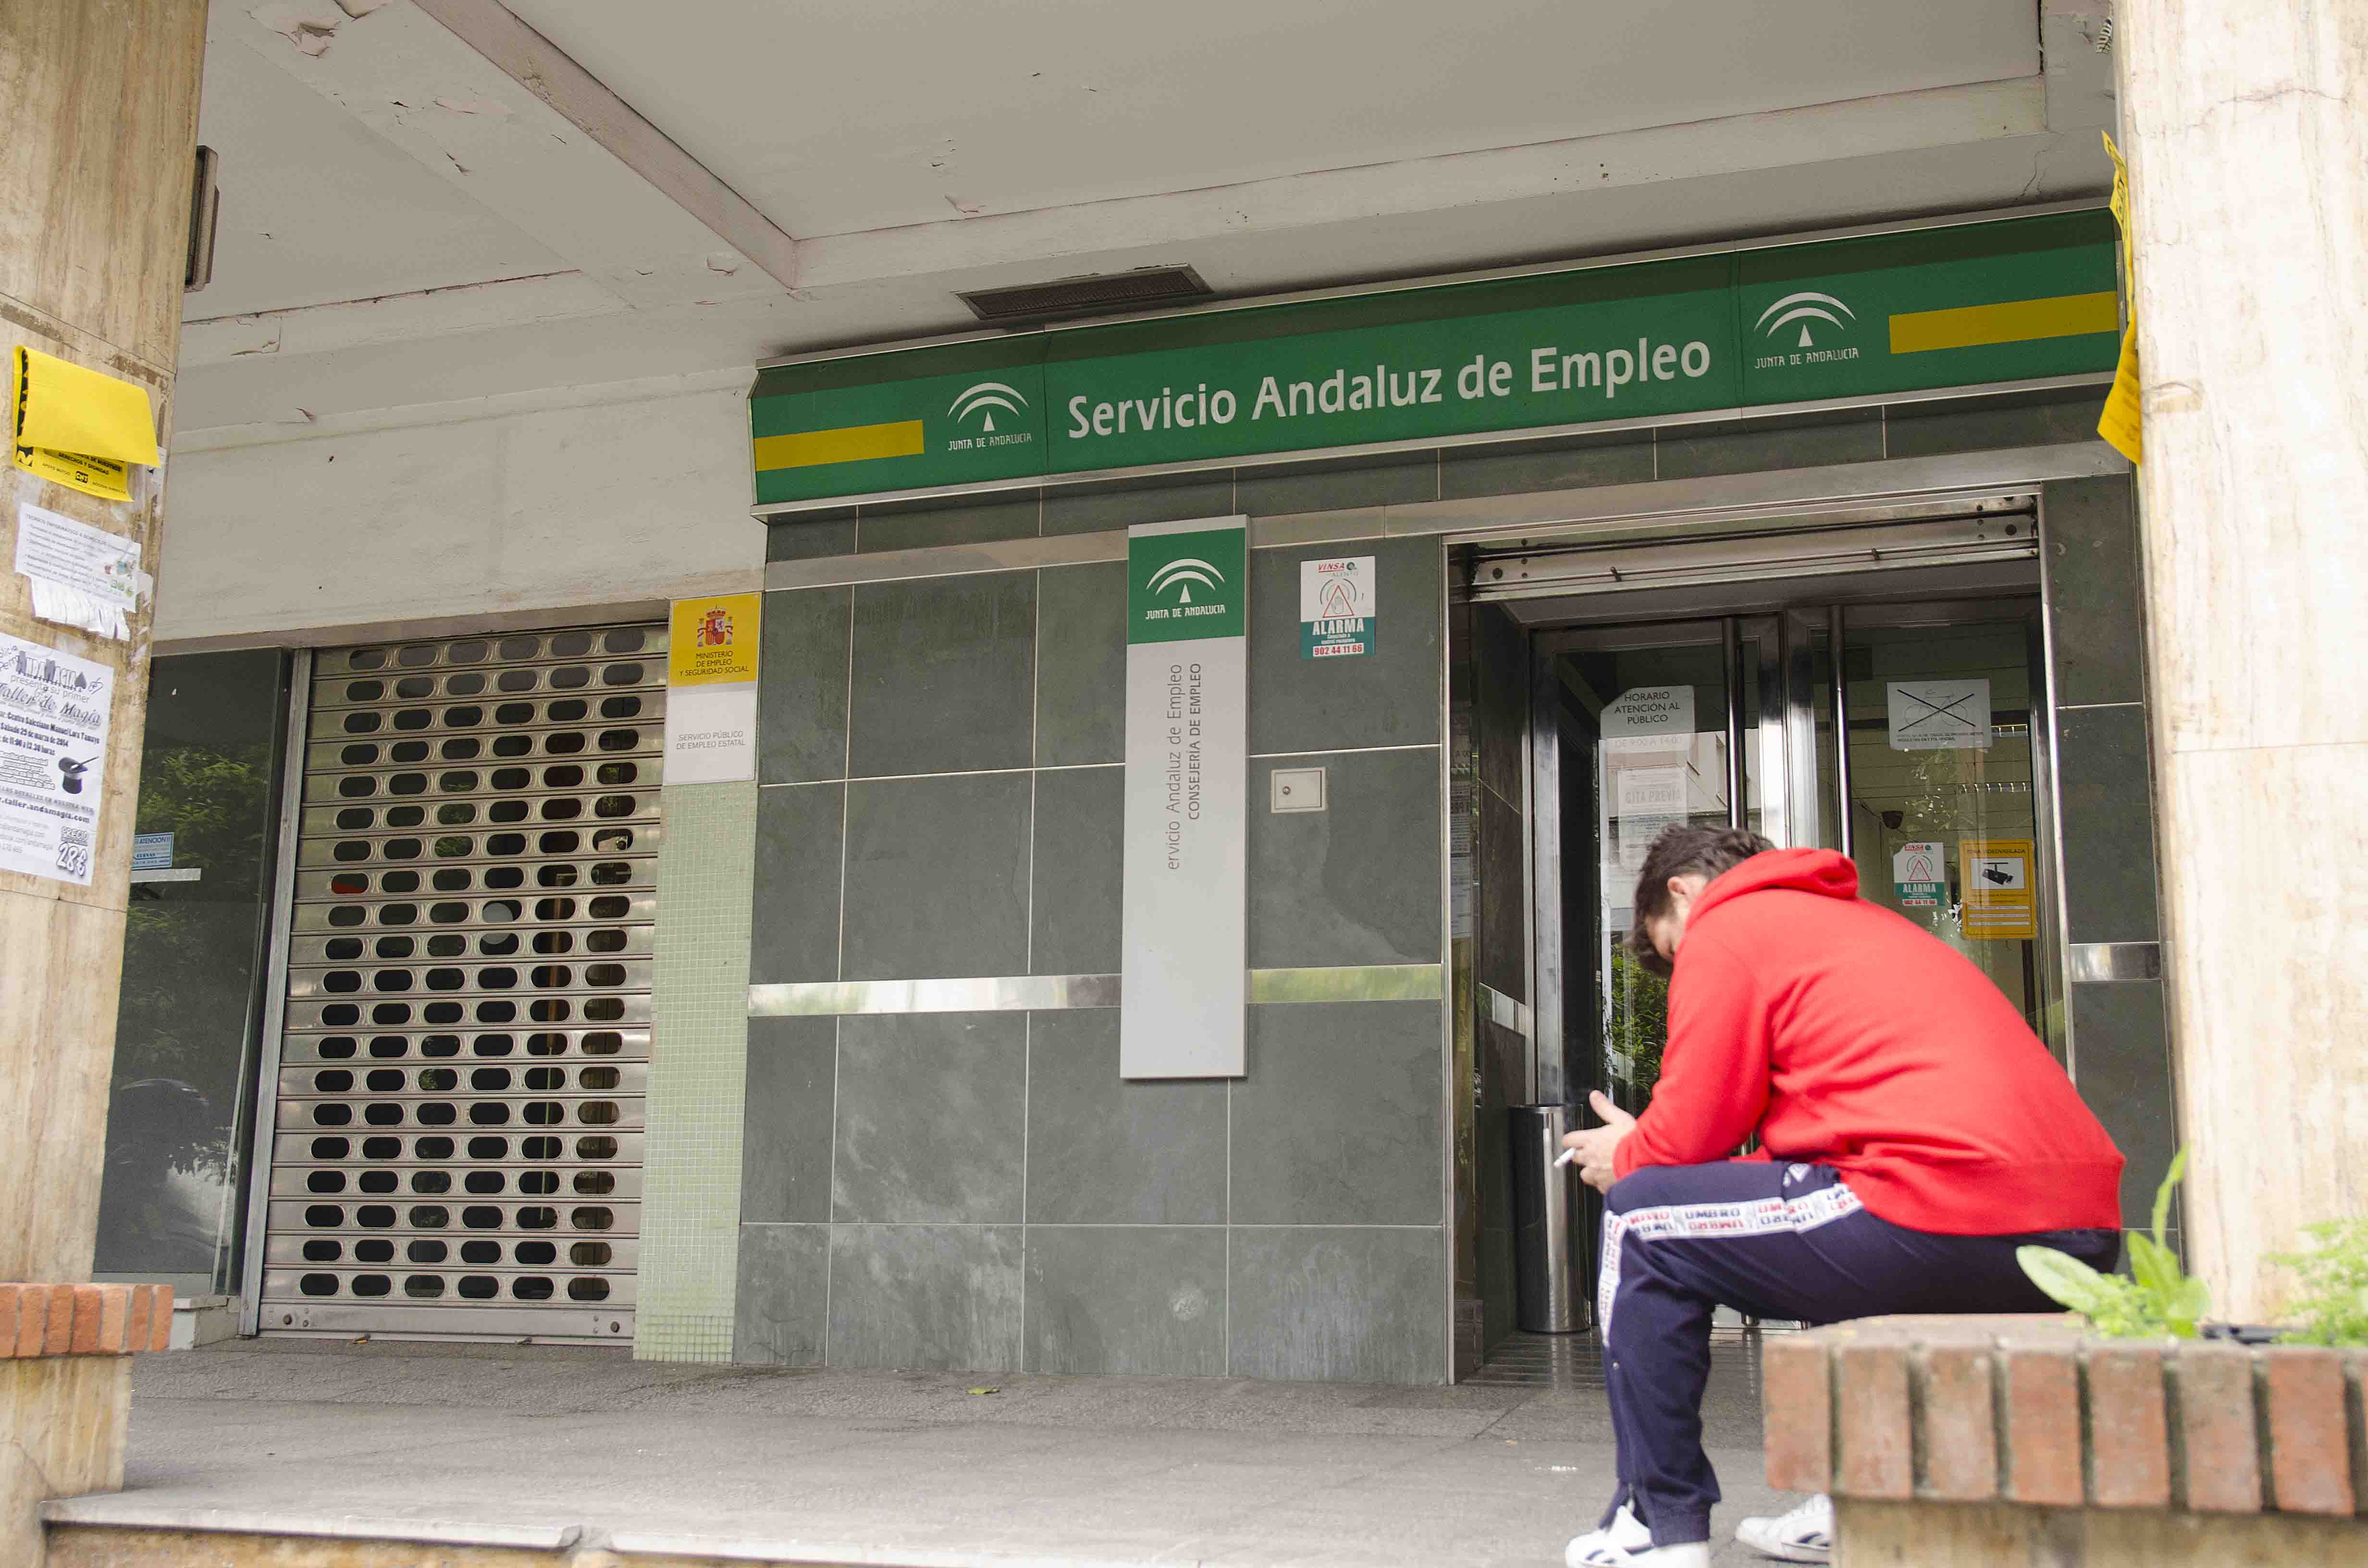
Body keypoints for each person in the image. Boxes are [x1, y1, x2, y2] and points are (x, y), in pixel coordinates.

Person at [1556, 826, 2124, 1568]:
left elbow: (1691, 1133)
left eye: (1671, 949)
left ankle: (1655, 1526)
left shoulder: (1728, 924)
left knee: (1641, 1219)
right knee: (1807, 1212)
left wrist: (1627, 1156)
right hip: (2072, 1230)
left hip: (1935, 1199)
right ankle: (1851, 1503)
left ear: (1683, 892)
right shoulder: (1864, 927)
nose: (1682, 964)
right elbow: (1797, 1166)